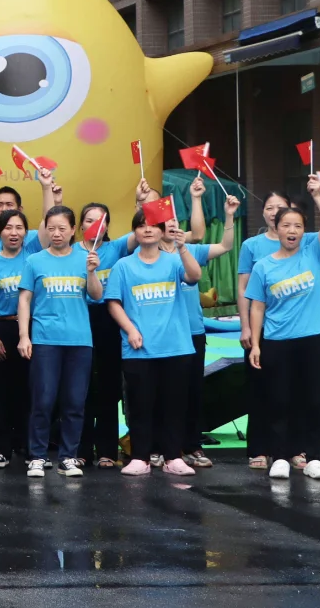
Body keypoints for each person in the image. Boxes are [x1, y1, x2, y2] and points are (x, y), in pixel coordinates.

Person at [246, 172, 320, 481]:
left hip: (313, 340)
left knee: (314, 401)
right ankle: (280, 456)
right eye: (286, 225)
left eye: (297, 226)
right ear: (276, 229)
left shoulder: (313, 253)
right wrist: (256, 344)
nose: (291, 231)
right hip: (277, 341)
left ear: (304, 231)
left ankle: (313, 457)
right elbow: (257, 306)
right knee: (279, 400)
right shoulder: (263, 266)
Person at [97, 209, 203, 477]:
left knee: (174, 405)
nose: (147, 230)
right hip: (138, 349)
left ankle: (173, 457)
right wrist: (130, 330)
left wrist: (182, 248)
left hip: (176, 346)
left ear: (161, 231)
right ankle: (140, 457)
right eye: (141, 226)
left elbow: (194, 276)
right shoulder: (124, 266)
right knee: (140, 406)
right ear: (135, 231)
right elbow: (113, 302)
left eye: (153, 226)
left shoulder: (174, 261)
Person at [17, 205, 96, 478]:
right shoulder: (35, 261)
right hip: (45, 340)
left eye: (62, 228)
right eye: (51, 228)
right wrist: (24, 336)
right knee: (43, 400)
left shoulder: (85, 258)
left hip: (79, 341)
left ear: (74, 230)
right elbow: (25, 299)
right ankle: (37, 457)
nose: (57, 233)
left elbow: (97, 295)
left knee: (74, 402)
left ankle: (68, 457)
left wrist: (92, 272)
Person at [178, 178, 239, 467]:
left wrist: (228, 216)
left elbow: (225, 245)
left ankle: (191, 445)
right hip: (163, 336)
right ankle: (160, 446)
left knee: (192, 391)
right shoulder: (145, 257)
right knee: (164, 392)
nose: (170, 229)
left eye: (175, 225)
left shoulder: (190, 251)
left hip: (193, 332)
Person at [235, 190, 295, 470]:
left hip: (293, 328)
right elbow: (243, 288)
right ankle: (258, 448)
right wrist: (246, 326)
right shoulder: (252, 245)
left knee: (293, 390)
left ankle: (293, 448)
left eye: (280, 207)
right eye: (269, 207)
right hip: (260, 328)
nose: (274, 212)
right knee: (260, 389)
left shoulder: (301, 242)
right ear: (263, 213)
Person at [78, 201, 126, 468]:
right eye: (89, 220)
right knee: (81, 387)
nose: (95, 226)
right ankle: (81, 450)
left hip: (109, 321)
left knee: (109, 386)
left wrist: (143, 202)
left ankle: (108, 449)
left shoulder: (116, 248)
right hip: (79, 320)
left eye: (100, 221)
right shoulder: (72, 251)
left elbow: (145, 228)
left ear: (107, 226)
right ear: (80, 225)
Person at [0, 209, 31, 466]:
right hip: (0, 329)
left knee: (28, 390)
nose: (14, 233)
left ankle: (27, 445)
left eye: (19, 228)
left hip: (29, 330)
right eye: (8, 228)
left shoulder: (32, 256)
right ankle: (0, 448)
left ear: (26, 232)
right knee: (1, 391)